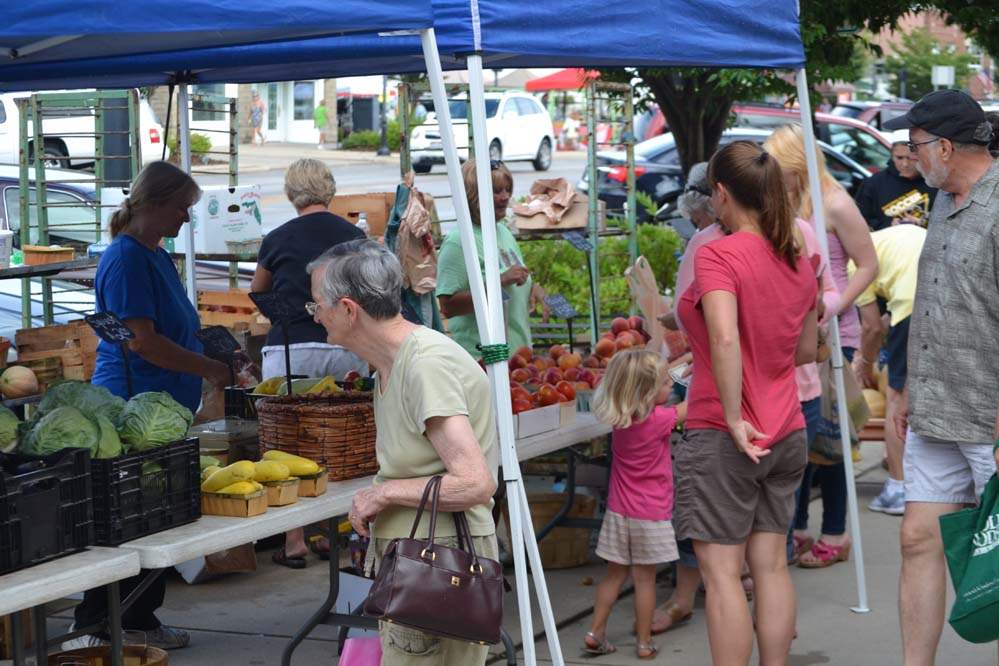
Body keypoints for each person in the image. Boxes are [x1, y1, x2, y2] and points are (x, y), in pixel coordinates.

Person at [308, 240, 498, 665]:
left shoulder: (425, 365)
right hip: (424, 554)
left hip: (437, 561)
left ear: (348, 309)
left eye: (317, 305)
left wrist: (384, 493)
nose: (316, 315)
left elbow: (475, 482)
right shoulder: (395, 361)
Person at [67, 161, 232, 651]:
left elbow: (170, 329)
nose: (186, 217)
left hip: (161, 406)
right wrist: (209, 368)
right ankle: (100, 625)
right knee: (128, 518)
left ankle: (136, 619)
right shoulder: (127, 259)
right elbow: (143, 341)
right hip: (132, 406)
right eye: (182, 207)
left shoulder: (155, 254)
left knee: (154, 516)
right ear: (156, 203)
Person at [673, 141, 817, 666]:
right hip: (786, 427)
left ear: (722, 193)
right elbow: (806, 350)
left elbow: (725, 336)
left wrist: (734, 417)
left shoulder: (718, 254)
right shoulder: (798, 258)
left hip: (724, 430)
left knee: (722, 575)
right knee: (771, 566)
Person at [881, 89, 999, 666]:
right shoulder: (944, 202)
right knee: (917, 538)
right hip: (936, 409)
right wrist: (909, 390)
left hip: (989, 417)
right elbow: (934, 302)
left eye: (917, 143)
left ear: (946, 147)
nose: (910, 154)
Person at [765, 124, 877, 567]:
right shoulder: (785, 204)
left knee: (831, 443)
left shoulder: (835, 203)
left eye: (780, 170)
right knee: (800, 441)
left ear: (797, 166)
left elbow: (868, 265)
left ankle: (835, 532)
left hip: (834, 337)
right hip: (796, 336)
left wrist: (834, 306)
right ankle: (799, 529)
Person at [251, 158, 367, 568]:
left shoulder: (277, 237)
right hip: (345, 345)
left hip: (290, 347)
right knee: (342, 441)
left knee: (287, 441)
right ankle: (337, 531)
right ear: (329, 190)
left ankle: (294, 539)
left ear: (290, 192)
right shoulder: (354, 236)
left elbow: (258, 291)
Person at [583, 349, 686, 660]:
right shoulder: (660, 420)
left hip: (619, 514)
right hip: (650, 516)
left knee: (614, 576)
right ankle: (644, 643)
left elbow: (656, 378)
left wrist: (687, 360)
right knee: (645, 581)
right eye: (665, 383)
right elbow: (694, 405)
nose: (671, 386)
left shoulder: (621, 422)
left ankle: (595, 632)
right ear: (648, 392)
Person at [849, 225, 926, 517]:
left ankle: (898, 488)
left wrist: (865, 363)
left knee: (896, 399)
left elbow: (870, 327)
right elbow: (884, 320)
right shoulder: (890, 239)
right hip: (948, 302)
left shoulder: (855, 260)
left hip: (912, 306)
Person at [436, 159, 547, 358]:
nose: (505, 197)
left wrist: (534, 289)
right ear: (473, 195)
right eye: (496, 191)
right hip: (482, 359)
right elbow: (448, 307)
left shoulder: (503, 232)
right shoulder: (459, 241)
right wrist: (500, 281)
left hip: (518, 356)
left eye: (507, 189)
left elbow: (514, 279)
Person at [854, 130, 937, 231]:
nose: (905, 164)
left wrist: (923, 223)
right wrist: (889, 225)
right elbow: (860, 221)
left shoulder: (937, 181)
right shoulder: (873, 184)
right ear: (892, 156)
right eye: (899, 158)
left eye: (911, 159)